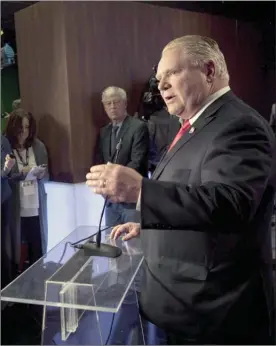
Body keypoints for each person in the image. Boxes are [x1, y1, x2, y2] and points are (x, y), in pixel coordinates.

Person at [86, 35, 276, 344]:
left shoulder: (239, 126)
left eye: (171, 73)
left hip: (212, 318)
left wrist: (142, 192)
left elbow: (229, 205)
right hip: (179, 308)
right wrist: (149, 225)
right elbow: (192, 198)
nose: (160, 86)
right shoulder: (193, 125)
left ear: (209, 71)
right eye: (158, 78)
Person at [96, 86, 149, 227]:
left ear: (125, 103)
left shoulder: (138, 127)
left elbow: (137, 162)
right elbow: (100, 162)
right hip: (110, 202)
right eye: (108, 103)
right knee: (111, 241)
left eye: (116, 102)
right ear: (104, 107)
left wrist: (116, 183)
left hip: (131, 200)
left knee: (133, 246)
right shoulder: (103, 132)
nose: (112, 106)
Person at [5, 108, 49, 274]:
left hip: (35, 205)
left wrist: (41, 173)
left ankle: (37, 284)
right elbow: (4, 178)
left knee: (36, 249)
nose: (24, 132)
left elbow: (47, 174)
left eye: (27, 127)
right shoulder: (5, 147)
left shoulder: (38, 147)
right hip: (14, 206)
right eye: (20, 128)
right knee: (15, 250)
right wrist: (20, 174)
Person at [1, 135, 16, 287]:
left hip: (3, 199)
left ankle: (6, 292)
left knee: (2, 246)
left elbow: (8, 172)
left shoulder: (3, 141)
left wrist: (6, 169)